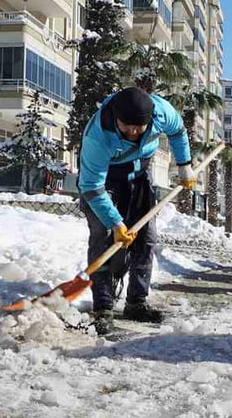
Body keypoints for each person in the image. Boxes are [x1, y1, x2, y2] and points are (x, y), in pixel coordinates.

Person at [78, 87, 193, 335]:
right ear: (116, 118)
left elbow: (179, 131)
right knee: (103, 239)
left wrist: (185, 165)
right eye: (126, 126)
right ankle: (103, 307)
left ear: (150, 120)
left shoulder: (161, 111)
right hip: (103, 182)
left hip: (139, 175)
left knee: (146, 239)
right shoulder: (97, 136)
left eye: (138, 127)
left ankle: (136, 303)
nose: (132, 132)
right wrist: (116, 223)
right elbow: (90, 186)